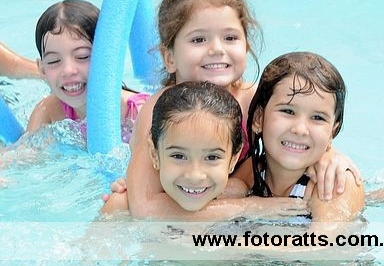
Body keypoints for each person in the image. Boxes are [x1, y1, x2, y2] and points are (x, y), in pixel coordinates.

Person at [122, 0, 360, 219]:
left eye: (230, 38)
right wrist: (248, 207)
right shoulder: (158, 111)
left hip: (220, 191)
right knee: (119, 202)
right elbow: (145, 208)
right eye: (198, 39)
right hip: (185, 191)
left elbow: (301, 129)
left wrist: (329, 157)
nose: (217, 49)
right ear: (169, 57)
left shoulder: (252, 101)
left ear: (246, 46)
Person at [102, 80, 309, 220]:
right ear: (154, 154)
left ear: (233, 159)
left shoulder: (241, 195)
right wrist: (248, 208)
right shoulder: (121, 209)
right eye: (178, 156)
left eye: (211, 157)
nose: (195, 176)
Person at [233, 51, 364, 221]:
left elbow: (327, 238)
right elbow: (206, 208)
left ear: (331, 132)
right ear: (259, 118)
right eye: (288, 111)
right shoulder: (254, 172)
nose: (301, 130)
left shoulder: (335, 183)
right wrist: (249, 206)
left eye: (318, 118)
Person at [26, 0, 149, 142]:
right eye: (54, 61)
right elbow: (24, 153)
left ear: (107, 59)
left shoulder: (140, 114)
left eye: (82, 56)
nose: (68, 70)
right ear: (42, 69)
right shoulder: (49, 111)